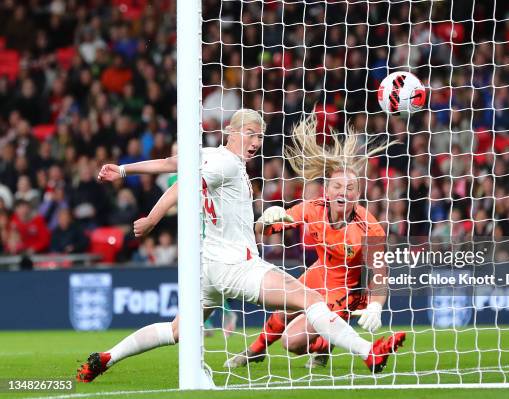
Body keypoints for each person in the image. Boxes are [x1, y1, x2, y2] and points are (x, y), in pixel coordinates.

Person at [76, 109, 404, 383]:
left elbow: (167, 163)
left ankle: (107, 356)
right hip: (237, 265)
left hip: (209, 267)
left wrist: (122, 169)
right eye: (249, 134)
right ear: (230, 132)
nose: (256, 143)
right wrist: (152, 218)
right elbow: (184, 184)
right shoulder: (227, 164)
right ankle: (366, 352)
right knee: (311, 299)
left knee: (178, 330)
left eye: (260, 137)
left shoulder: (209, 156)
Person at [225, 114, 392, 369]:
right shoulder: (312, 209)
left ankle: (324, 345)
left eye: (349, 189)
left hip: (344, 290)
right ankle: (256, 350)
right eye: (337, 186)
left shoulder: (369, 228)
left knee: (290, 343)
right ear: (327, 190)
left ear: (358, 194)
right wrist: (267, 219)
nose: (342, 193)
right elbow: (262, 229)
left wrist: (376, 306)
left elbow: (380, 274)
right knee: (283, 306)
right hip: (317, 275)